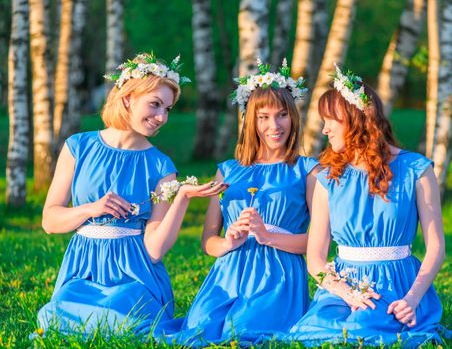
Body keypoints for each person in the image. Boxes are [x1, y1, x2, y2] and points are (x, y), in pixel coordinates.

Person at [36, 53, 226, 338]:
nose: (162, 117)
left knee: (121, 315)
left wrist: (182, 198)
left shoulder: (161, 166)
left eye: (168, 109)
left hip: (134, 276)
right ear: (127, 98)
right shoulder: (78, 147)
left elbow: (154, 250)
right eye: (155, 104)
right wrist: (91, 209)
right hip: (83, 271)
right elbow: (50, 222)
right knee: (54, 315)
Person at [285, 65, 449, 347]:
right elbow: (315, 257)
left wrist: (412, 299)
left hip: (397, 283)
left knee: (363, 329)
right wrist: (346, 294)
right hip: (343, 285)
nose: (324, 130)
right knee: (315, 329)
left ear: (353, 119)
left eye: (329, 120)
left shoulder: (416, 170)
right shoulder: (327, 178)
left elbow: (436, 247)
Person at [169, 59, 320, 346]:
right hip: (227, 273)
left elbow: (318, 242)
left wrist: (267, 236)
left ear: (293, 118)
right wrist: (228, 243)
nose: (273, 125)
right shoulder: (228, 170)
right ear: (251, 120)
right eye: (263, 117)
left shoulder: (308, 170)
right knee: (199, 331)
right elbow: (208, 242)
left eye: (282, 115)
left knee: (245, 334)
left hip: (278, 274)